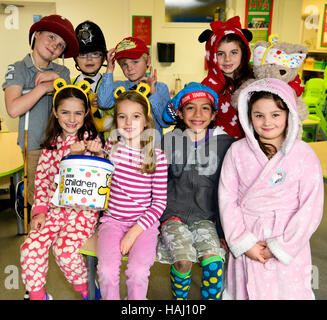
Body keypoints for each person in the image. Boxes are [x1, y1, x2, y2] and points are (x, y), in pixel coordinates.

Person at [218, 78, 324, 300]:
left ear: (289, 115)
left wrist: (279, 247)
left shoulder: (304, 155)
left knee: (286, 292)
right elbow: (227, 199)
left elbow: (310, 208)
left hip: (287, 240)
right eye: (259, 115)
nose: (267, 122)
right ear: (249, 117)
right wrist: (244, 242)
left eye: (275, 114)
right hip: (249, 238)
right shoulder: (236, 152)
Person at [20, 78, 103, 300]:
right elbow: (42, 181)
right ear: (56, 113)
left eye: (78, 113)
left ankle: (89, 290)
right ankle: (38, 295)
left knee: (64, 251)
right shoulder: (51, 144)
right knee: (30, 247)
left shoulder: (91, 141)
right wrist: (39, 212)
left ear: (86, 113)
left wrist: (96, 154)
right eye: (65, 112)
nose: (72, 119)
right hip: (53, 210)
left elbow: (97, 179)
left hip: (82, 212)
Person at [157, 82, 234, 300]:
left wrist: (222, 231)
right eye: (190, 107)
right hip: (172, 215)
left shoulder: (226, 144)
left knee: (214, 261)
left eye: (205, 108)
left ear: (214, 114)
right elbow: (154, 180)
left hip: (206, 218)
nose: (198, 114)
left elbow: (227, 189)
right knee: (183, 261)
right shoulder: (169, 141)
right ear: (180, 113)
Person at [96, 83, 168, 300]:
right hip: (112, 222)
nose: (128, 123)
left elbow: (159, 204)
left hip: (143, 226)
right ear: (115, 121)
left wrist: (133, 232)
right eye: (122, 117)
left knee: (137, 273)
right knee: (106, 272)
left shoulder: (157, 157)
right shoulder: (111, 150)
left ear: (146, 120)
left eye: (135, 116)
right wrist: (94, 155)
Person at [2, 14, 79, 206]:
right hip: (34, 146)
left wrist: (55, 78)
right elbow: (13, 108)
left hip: (63, 145)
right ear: (36, 34)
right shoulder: (18, 68)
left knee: (63, 196)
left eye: (61, 45)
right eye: (51, 37)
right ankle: (38, 235)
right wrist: (43, 87)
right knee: (39, 200)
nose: (55, 45)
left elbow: (70, 105)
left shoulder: (62, 73)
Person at [97, 36, 170, 144]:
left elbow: (165, 123)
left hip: (152, 150)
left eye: (135, 62)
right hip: (125, 150)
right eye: (124, 64)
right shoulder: (119, 87)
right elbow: (103, 103)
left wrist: (153, 92)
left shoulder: (160, 88)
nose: (129, 68)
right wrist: (109, 69)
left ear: (148, 61)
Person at [199, 16, 254, 139]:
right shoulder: (207, 86)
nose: (227, 59)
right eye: (220, 54)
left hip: (250, 147)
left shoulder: (254, 79)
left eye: (234, 52)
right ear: (212, 55)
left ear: (243, 53)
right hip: (218, 147)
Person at [73, 20, 114, 140]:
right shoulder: (71, 85)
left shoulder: (113, 85)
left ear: (104, 58)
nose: (89, 59)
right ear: (75, 58)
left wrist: (105, 107)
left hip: (106, 145)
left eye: (95, 54)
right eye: (82, 54)